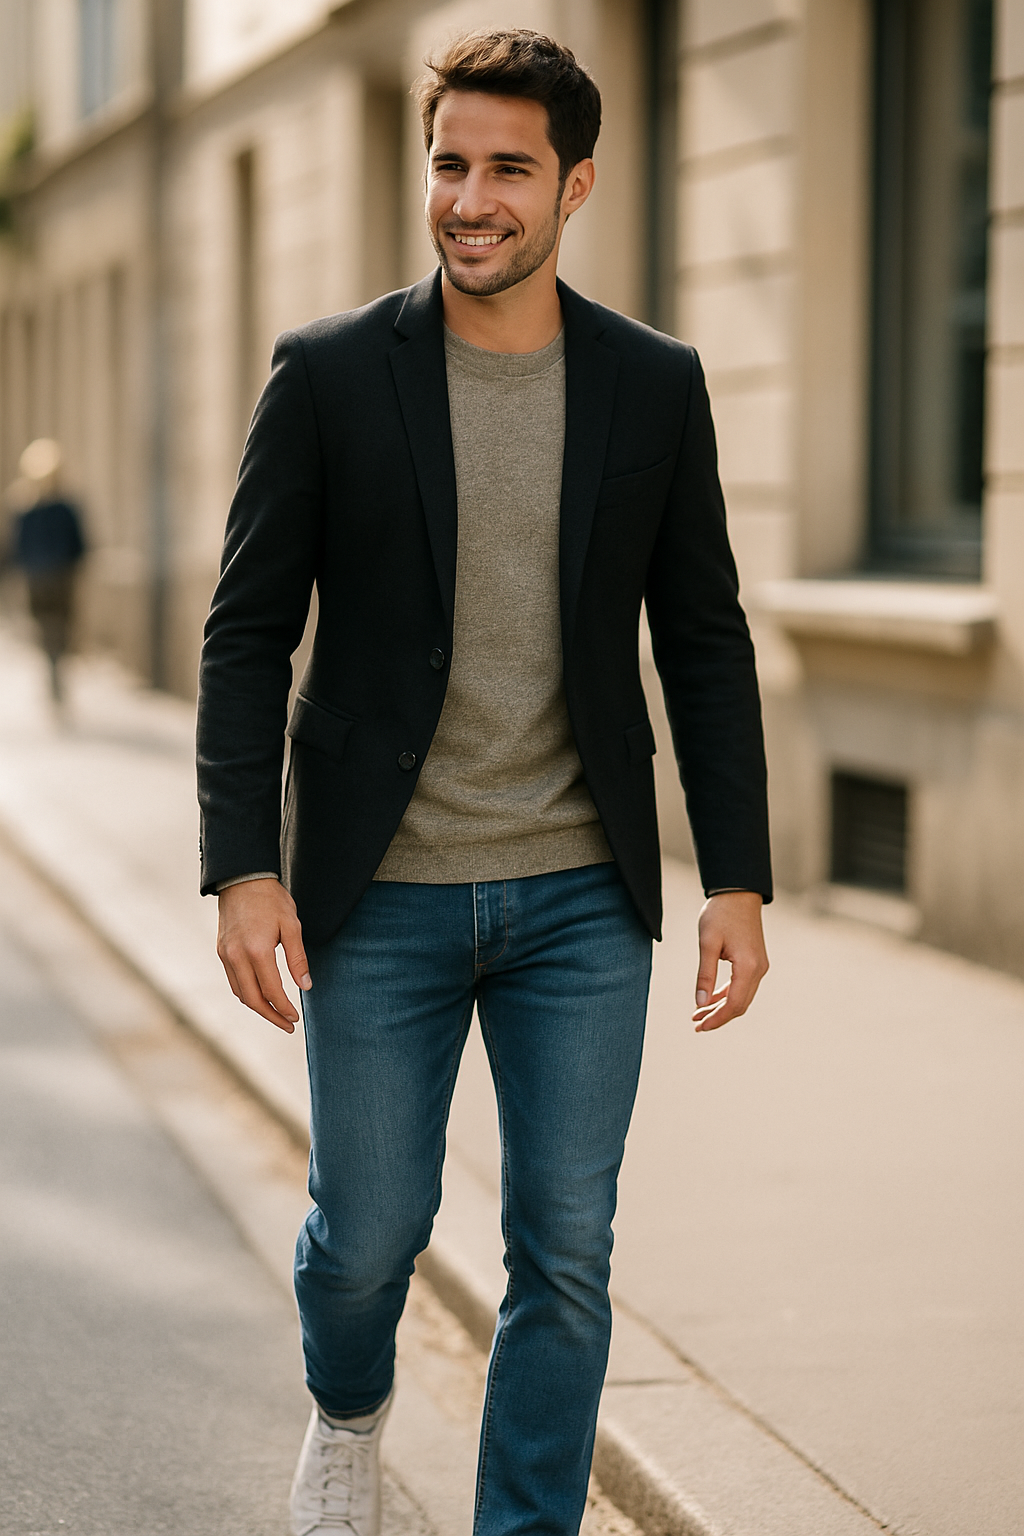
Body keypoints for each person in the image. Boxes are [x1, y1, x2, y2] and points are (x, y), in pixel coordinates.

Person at [196, 29, 772, 1536]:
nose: (469, 197)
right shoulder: (327, 377)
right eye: (450, 163)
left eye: (508, 168)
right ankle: (345, 1409)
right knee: (369, 1237)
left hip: (581, 898)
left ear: (575, 184)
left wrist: (737, 877)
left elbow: (702, 639)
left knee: (567, 1246)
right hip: (375, 895)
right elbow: (247, 635)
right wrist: (241, 864)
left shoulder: (653, 386)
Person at [7, 439, 86, 704]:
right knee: (55, 630)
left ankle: (54, 669)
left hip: (46, 579)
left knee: (50, 630)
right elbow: (79, 545)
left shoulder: (29, 509)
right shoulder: (56, 508)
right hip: (52, 579)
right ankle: (55, 670)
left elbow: (15, 549)